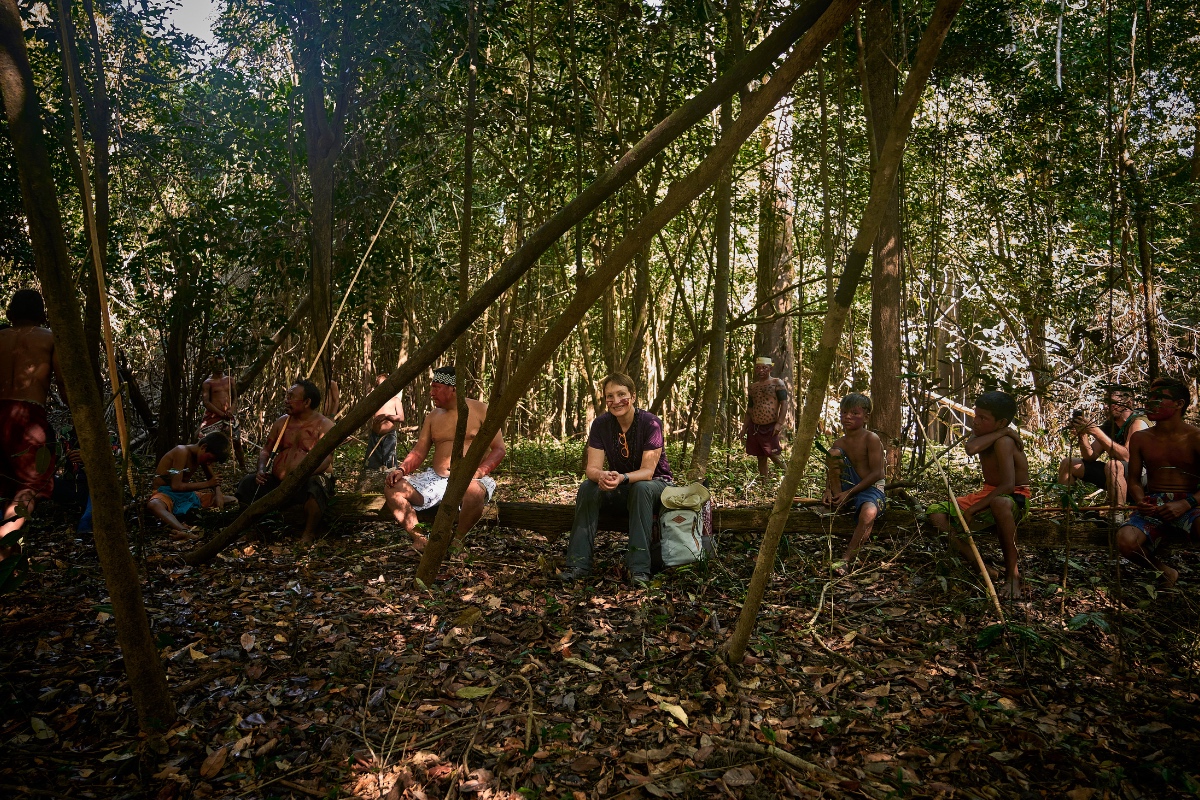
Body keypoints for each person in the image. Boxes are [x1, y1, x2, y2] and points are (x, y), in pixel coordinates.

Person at [558, 373, 674, 587]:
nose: (616, 400)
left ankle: (639, 569)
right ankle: (578, 565)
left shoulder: (651, 423)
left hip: (657, 487)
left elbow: (648, 472)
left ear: (633, 396)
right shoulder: (601, 424)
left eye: (622, 394)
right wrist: (602, 476)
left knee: (641, 488)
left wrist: (622, 478)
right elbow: (591, 469)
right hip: (624, 487)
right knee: (588, 487)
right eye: (610, 396)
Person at [383, 366, 505, 550]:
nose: (431, 393)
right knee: (392, 487)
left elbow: (499, 449)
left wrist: (480, 471)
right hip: (436, 479)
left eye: (436, 387)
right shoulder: (432, 417)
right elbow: (419, 451)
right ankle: (420, 539)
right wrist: (401, 469)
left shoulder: (481, 410)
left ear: (453, 388)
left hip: (471, 478)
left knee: (473, 491)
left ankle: (458, 542)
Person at [927, 390, 1031, 600]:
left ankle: (1013, 575)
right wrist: (1004, 431)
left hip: (1014, 497)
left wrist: (973, 510)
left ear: (1001, 422)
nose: (976, 421)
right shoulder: (988, 434)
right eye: (976, 415)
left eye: (983, 418)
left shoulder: (1004, 442)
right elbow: (971, 448)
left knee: (1000, 503)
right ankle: (981, 566)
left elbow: (1008, 486)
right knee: (935, 513)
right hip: (989, 493)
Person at [1116, 377, 1200, 588]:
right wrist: (1141, 501)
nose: (1150, 402)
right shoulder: (1140, 438)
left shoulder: (1196, 437)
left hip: (1191, 504)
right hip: (1154, 505)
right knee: (1125, 540)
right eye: (1150, 397)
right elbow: (1134, 480)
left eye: (1159, 398)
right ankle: (1165, 572)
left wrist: (1186, 504)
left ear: (1179, 404)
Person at [234, 380, 336, 545]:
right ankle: (250, 529)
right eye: (286, 396)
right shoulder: (282, 422)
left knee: (316, 486)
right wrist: (261, 469)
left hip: (307, 481)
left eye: (291, 397)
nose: (286, 401)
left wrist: (302, 475)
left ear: (307, 402)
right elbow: (266, 450)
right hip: (279, 483)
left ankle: (308, 533)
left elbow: (326, 459)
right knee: (247, 483)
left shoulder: (325, 425)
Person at [0, 289, 62, 558]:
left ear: (10, 314)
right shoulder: (49, 338)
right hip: (28, 415)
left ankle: (8, 556)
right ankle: (3, 543)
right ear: (42, 315)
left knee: (5, 485)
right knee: (29, 486)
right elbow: (64, 384)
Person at [1057, 386, 1147, 512]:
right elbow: (1090, 456)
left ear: (1128, 403)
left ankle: (1117, 515)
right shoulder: (1110, 425)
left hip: (1143, 478)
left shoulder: (1138, 422)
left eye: (1111, 403)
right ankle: (1064, 512)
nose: (1106, 407)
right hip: (1118, 475)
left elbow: (1127, 457)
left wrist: (1096, 431)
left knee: (1114, 465)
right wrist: (1083, 435)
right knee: (1068, 463)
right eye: (1105, 403)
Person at [823, 393, 886, 563]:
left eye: (854, 413)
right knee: (833, 453)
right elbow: (831, 469)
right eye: (844, 413)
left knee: (869, 512)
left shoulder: (871, 439)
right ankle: (839, 502)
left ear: (866, 417)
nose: (847, 417)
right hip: (846, 489)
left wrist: (849, 493)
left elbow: (878, 473)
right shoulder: (839, 443)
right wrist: (828, 490)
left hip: (870, 489)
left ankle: (846, 558)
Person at [146, 432, 232, 540]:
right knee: (154, 505)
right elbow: (176, 486)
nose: (210, 463)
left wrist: (218, 494)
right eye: (210, 460)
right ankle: (184, 531)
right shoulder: (181, 451)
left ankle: (188, 518)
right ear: (204, 447)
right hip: (165, 493)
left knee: (232, 500)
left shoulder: (201, 456)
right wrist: (208, 484)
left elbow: (213, 480)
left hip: (186, 495)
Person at [198, 354, 247, 471]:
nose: (220, 368)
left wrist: (231, 410)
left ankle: (242, 467)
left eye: (222, 365)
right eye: (217, 365)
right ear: (211, 366)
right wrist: (221, 414)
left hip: (229, 415)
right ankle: (207, 468)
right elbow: (206, 402)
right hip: (213, 417)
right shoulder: (207, 383)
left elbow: (235, 397)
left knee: (236, 441)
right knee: (205, 440)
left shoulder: (230, 379)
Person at [742, 356, 787, 477]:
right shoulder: (753, 387)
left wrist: (779, 423)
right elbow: (750, 409)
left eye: (764, 368)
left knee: (774, 455)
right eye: (758, 368)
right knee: (760, 457)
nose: (761, 370)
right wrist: (744, 428)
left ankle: (789, 478)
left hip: (770, 426)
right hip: (755, 426)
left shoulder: (777, 383)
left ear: (770, 369)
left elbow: (784, 404)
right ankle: (764, 483)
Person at [359, 374, 404, 484]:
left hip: (388, 435)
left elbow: (401, 417)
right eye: (379, 385)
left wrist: (387, 416)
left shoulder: (395, 400)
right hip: (375, 435)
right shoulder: (374, 399)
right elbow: (366, 410)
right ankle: (372, 485)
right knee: (371, 462)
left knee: (390, 462)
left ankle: (393, 484)